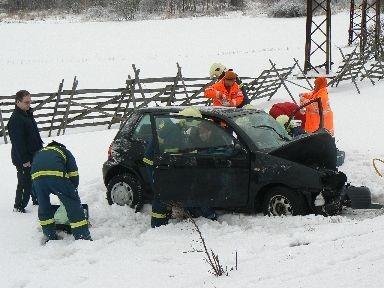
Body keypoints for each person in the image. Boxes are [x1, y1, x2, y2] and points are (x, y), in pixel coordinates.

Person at [31, 141, 91, 241]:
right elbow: (73, 174)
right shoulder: (65, 151)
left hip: (37, 180)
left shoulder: (40, 152)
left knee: (44, 206)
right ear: (61, 147)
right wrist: (71, 192)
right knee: (73, 204)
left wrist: (36, 194)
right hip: (56, 176)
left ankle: (49, 236)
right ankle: (82, 236)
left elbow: (34, 177)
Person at [7, 90, 43, 213]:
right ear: (18, 102)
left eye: (30, 101)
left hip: (34, 154)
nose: (29, 104)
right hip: (23, 158)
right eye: (26, 102)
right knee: (24, 182)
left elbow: (32, 135)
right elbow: (18, 143)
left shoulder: (27, 114)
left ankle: (36, 199)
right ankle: (19, 206)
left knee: (34, 178)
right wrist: (25, 160)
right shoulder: (15, 120)